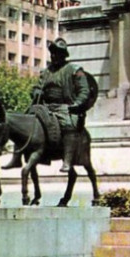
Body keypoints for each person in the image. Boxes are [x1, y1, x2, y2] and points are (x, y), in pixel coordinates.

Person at [30, 38, 91, 172]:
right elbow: (38, 86)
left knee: (68, 125)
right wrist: (36, 92)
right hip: (45, 107)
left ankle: (67, 161)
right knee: (26, 121)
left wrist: (77, 104)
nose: (53, 56)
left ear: (63, 55)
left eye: (56, 53)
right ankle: (20, 156)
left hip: (65, 107)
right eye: (52, 53)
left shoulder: (74, 70)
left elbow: (84, 90)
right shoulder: (46, 72)